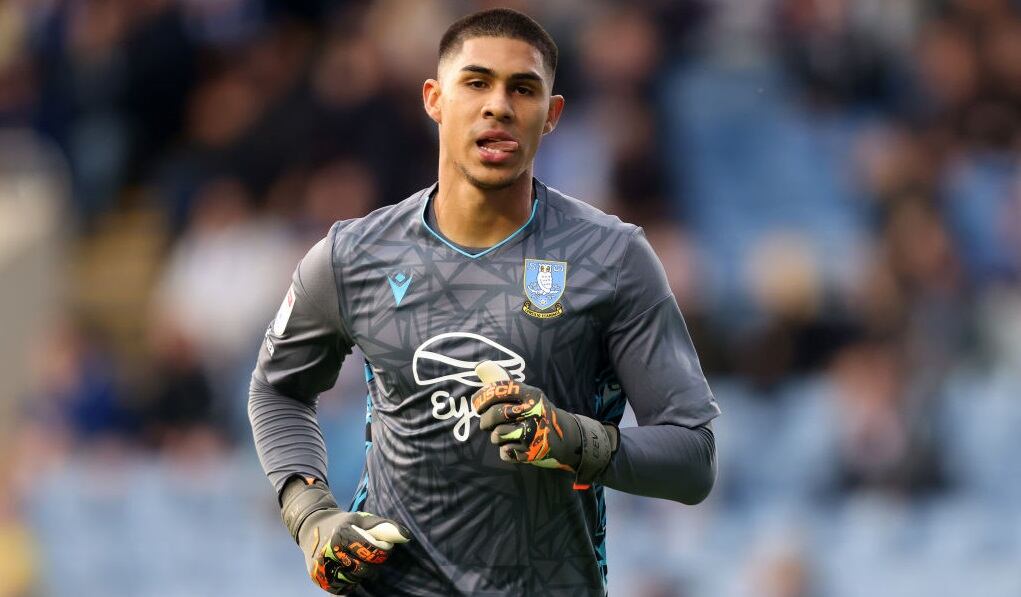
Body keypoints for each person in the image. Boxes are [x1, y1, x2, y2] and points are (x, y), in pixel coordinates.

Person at [249, 8, 720, 596]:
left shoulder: (612, 258)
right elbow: (277, 390)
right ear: (434, 99)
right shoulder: (353, 254)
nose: (498, 105)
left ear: (552, 115)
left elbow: (693, 456)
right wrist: (311, 514)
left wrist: (573, 439)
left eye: (522, 89)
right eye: (476, 83)